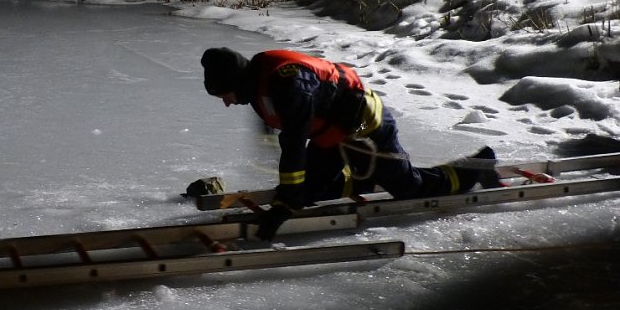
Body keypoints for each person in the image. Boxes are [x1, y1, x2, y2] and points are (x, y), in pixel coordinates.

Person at [200, 47, 501, 240]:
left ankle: (479, 166)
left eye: (224, 95)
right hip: (332, 136)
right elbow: (280, 121)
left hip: (367, 128)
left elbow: (293, 141)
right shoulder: (257, 79)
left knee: (407, 188)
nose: (226, 103)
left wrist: (285, 200)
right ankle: (363, 175)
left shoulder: (287, 82)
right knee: (311, 191)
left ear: (237, 83)